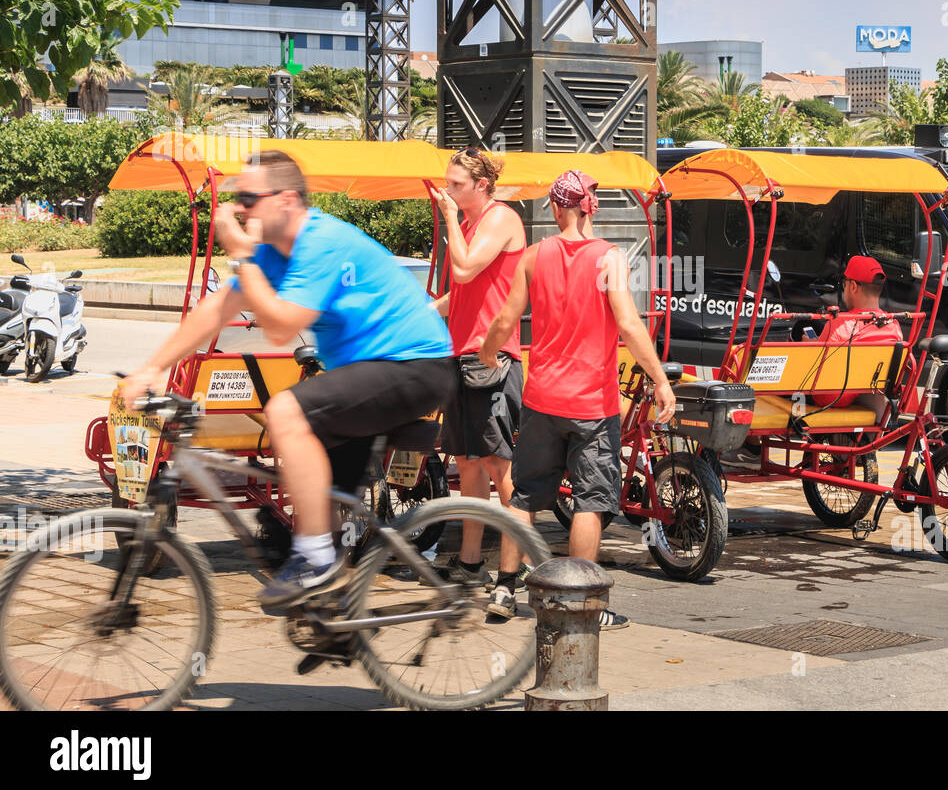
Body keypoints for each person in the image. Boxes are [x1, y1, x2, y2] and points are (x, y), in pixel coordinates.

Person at [121, 151, 457, 611]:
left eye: (248, 198)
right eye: (237, 199)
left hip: (413, 366)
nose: (240, 209)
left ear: (287, 199)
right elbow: (217, 308)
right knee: (316, 501)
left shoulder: (320, 242)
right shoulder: (272, 252)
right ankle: (334, 612)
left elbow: (280, 327)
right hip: (367, 372)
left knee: (285, 410)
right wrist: (151, 368)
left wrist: (240, 256)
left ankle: (318, 563)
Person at [477, 170, 675, 630]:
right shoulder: (610, 258)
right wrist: (660, 380)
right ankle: (583, 603)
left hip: (542, 399)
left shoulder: (531, 256)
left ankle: (505, 588)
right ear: (591, 206)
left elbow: (506, 319)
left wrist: (487, 353)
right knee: (590, 500)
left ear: (554, 207)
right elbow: (627, 324)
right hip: (591, 406)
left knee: (524, 495)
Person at [429, 147, 527, 594]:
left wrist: (449, 219)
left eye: (456, 185)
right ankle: (471, 562)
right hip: (463, 356)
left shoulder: (501, 219)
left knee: (497, 463)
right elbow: (462, 294)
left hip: (493, 358)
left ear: (481, 186)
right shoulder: (471, 225)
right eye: (447, 184)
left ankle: (515, 566)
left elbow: (466, 270)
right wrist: (425, 311)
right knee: (469, 463)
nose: (447, 192)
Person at [810, 255, 903, 421]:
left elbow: (815, 368)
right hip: (865, 394)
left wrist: (808, 346)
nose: (844, 289)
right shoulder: (894, 326)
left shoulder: (839, 325)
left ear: (853, 286)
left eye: (844, 284)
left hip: (827, 399)